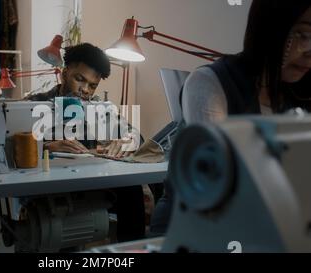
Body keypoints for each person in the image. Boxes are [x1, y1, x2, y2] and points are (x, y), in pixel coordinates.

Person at [150, 0, 311, 236]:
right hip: (194, 231)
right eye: (303, 34)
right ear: (270, 27)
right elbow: (224, 182)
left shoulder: (300, 91)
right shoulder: (210, 83)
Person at [25, 43, 146, 242]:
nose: (85, 90)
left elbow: (136, 136)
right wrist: (46, 147)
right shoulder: (35, 104)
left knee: (131, 188)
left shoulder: (98, 107)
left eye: (92, 85)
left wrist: (127, 140)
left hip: (88, 185)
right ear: (64, 74)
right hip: (48, 187)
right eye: (79, 79)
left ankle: (132, 252)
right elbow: (12, 143)